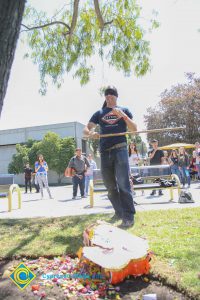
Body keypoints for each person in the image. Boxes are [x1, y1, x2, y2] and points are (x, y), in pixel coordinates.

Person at [83, 85, 137, 228]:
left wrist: (123, 116)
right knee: (110, 186)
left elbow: (134, 129)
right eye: (107, 95)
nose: (109, 97)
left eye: (112, 95)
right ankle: (119, 212)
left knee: (124, 184)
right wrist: (91, 133)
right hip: (105, 152)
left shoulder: (124, 110)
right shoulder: (99, 113)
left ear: (116, 96)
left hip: (120, 150)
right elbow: (86, 128)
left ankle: (129, 216)